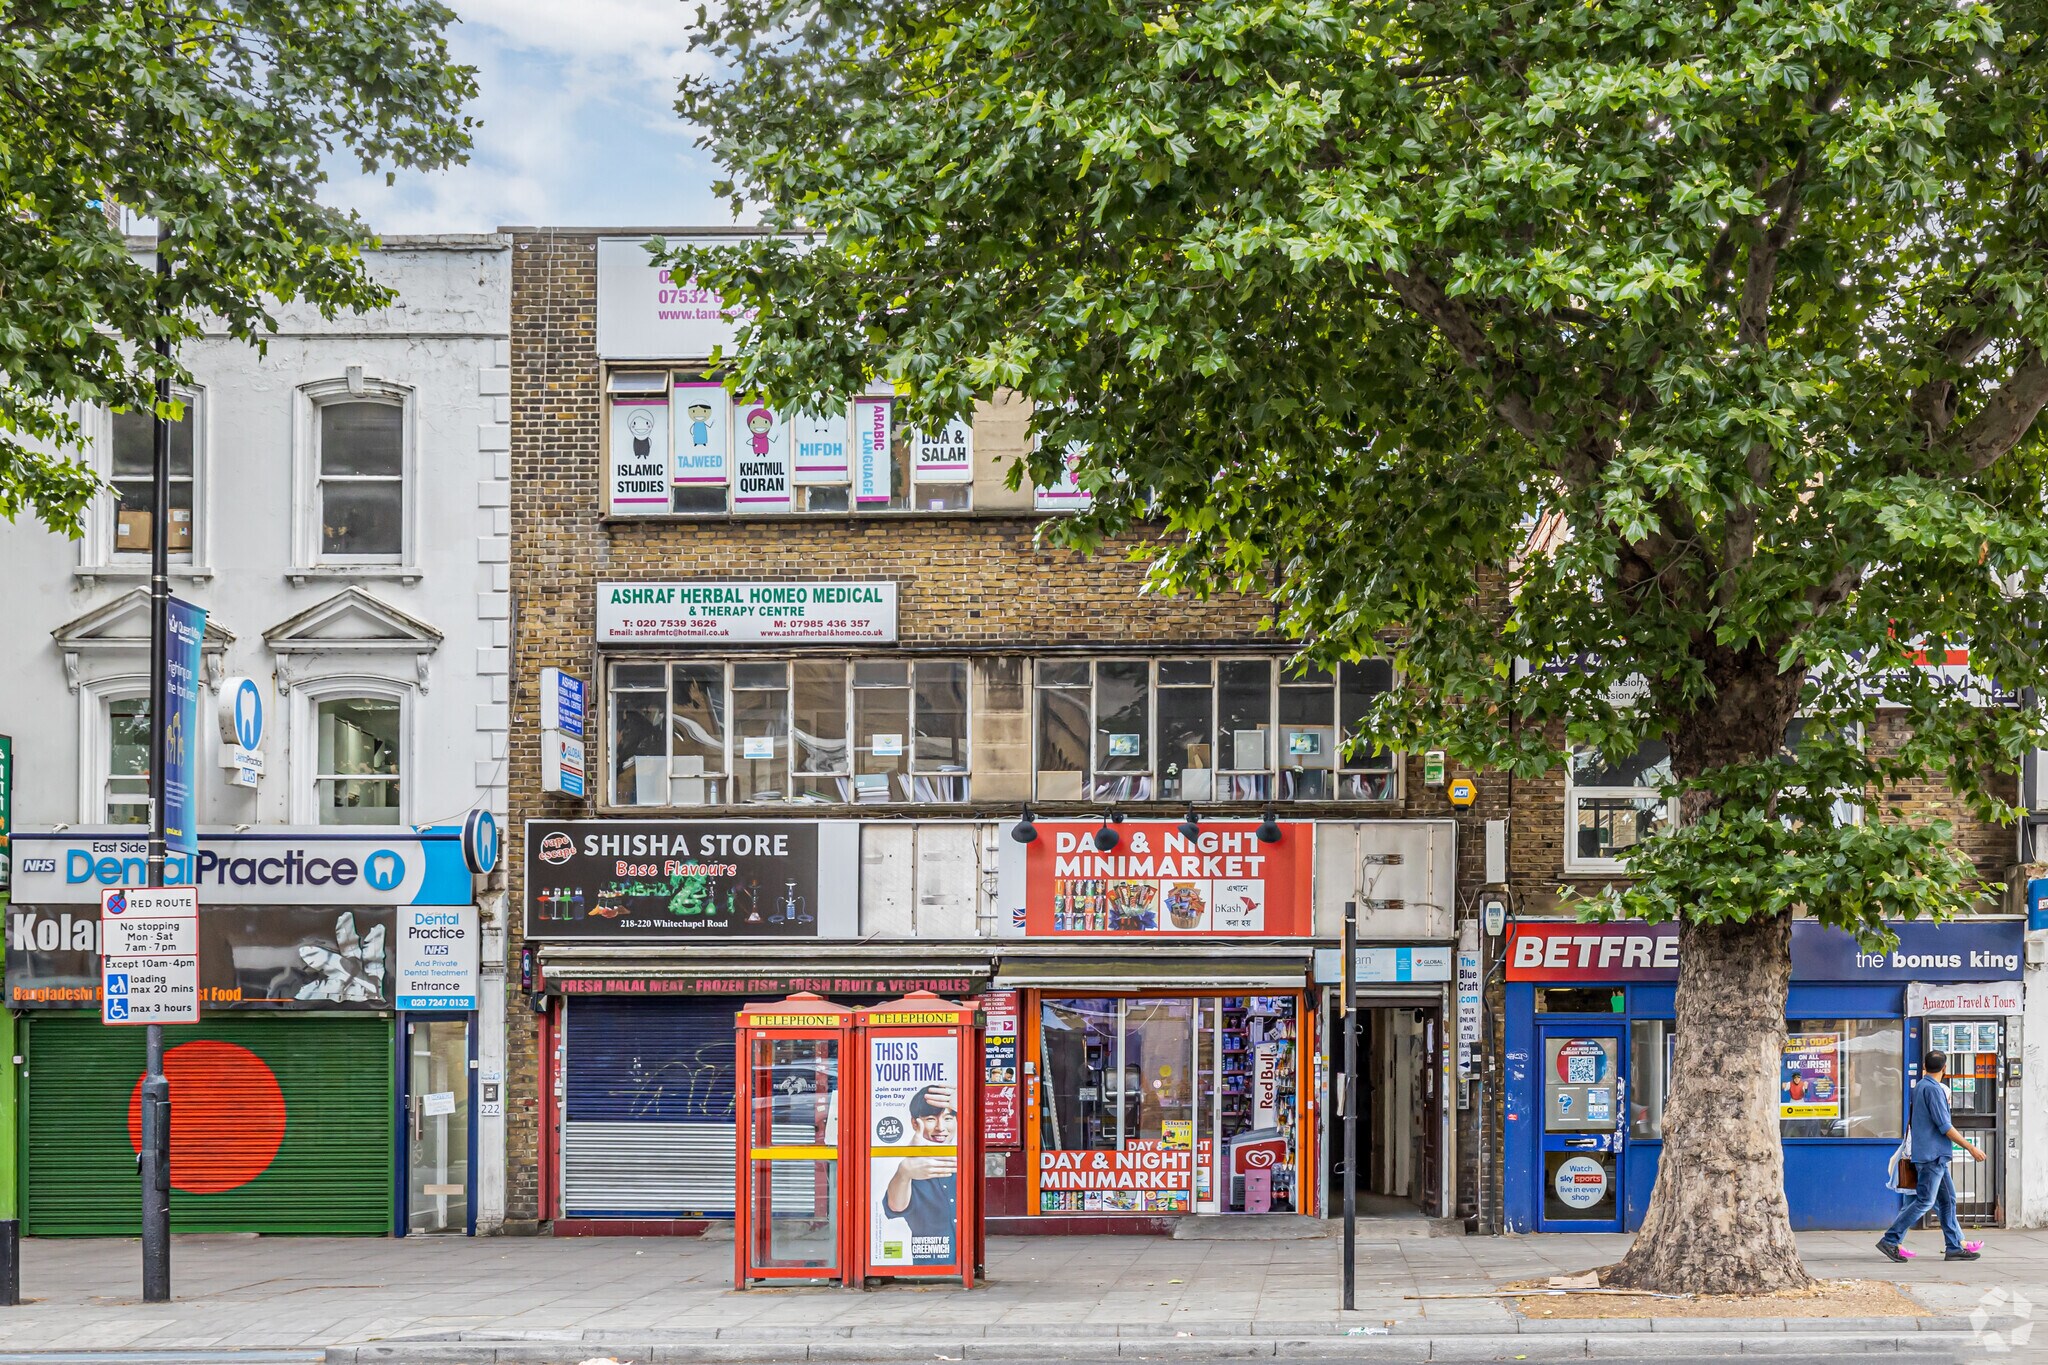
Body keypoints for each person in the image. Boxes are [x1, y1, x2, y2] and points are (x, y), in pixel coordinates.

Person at [1878, 1050, 1986, 1262]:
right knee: (1925, 1201)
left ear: (1924, 1067)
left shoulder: (1920, 1086)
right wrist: (1970, 1147)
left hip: (1935, 1156)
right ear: (1944, 1068)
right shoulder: (1933, 1090)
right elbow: (1944, 1126)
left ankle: (1954, 1246)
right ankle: (1891, 1239)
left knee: (1948, 1201)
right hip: (1931, 1157)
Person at [882, 1083, 956, 1263]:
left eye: (948, 1118)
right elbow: (896, 1206)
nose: (941, 1127)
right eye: (931, 1119)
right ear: (915, 1123)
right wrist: (904, 1173)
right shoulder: (909, 1165)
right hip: (933, 1263)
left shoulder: (965, 1161)